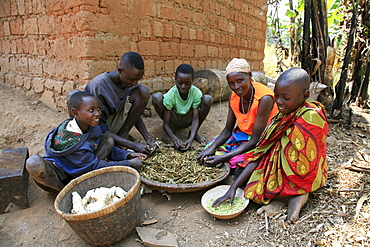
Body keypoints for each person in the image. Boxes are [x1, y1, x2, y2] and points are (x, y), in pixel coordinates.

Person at [212, 67, 329, 223]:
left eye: (285, 97)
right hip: (281, 165)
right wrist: (232, 187)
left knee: (257, 184)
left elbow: (305, 163)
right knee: (241, 173)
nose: (279, 102)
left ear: (305, 95)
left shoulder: (311, 118)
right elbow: (262, 151)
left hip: (301, 174)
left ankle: (296, 196)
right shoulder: (284, 114)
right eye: (277, 96)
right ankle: (288, 196)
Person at [26, 91, 147, 192]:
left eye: (98, 109)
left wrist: (128, 155)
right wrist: (129, 164)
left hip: (82, 166)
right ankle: (66, 191)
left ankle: (83, 179)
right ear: (75, 113)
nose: (97, 113)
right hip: (58, 175)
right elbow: (95, 166)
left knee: (108, 140)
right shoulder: (72, 141)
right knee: (34, 163)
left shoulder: (90, 126)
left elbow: (100, 146)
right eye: (91, 110)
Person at [197, 58, 278, 170]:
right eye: (231, 83)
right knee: (208, 149)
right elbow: (228, 129)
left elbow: (255, 139)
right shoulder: (233, 96)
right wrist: (212, 147)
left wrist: (223, 157)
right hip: (241, 135)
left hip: (261, 140)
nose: (236, 87)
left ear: (249, 76)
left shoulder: (264, 99)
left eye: (240, 80)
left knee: (236, 162)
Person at [85, 51, 155, 155]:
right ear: (120, 71)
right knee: (106, 142)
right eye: (131, 79)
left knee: (142, 92)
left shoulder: (131, 85)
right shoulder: (99, 86)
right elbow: (99, 127)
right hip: (96, 128)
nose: (135, 83)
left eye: (138, 79)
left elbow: (134, 114)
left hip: (114, 124)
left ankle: (122, 137)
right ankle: (120, 143)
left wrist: (148, 139)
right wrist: (132, 145)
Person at [152, 64, 213, 151]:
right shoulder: (171, 95)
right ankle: (171, 129)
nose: (183, 86)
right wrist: (174, 139)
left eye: (187, 83)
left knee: (207, 99)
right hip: (173, 119)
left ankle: (194, 133)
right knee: (156, 97)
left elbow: (195, 119)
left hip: (189, 119)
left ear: (192, 82)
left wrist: (191, 138)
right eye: (180, 83)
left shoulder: (195, 93)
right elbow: (165, 123)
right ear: (175, 81)